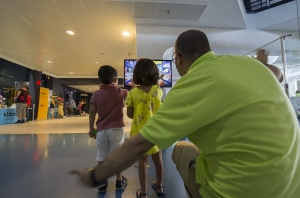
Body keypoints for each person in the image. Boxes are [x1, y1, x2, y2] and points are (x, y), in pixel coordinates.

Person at [69, 30, 300, 198]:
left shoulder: (188, 88)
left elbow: (137, 146)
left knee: (181, 149)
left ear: (177, 58)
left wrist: (93, 177)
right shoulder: (249, 65)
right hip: (292, 187)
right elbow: (277, 74)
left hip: (238, 192)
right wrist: (261, 63)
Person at [125, 59, 164, 198]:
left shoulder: (133, 93)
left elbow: (129, 115)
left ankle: (144, 192)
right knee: (158, 159)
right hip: (156, 132)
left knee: (142, 162)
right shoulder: (158, 92)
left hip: (140, 134)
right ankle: (159, 186)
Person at [88, 65, 128, 194]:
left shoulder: (96, 94)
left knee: (102, 157)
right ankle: (119, 181)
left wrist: (91, 128)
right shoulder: (121, 92)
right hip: (116, 129)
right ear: (115, 80)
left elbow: (92, 112)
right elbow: (129, 94)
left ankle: (102, 183)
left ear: (100, 79)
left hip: (101, 131)